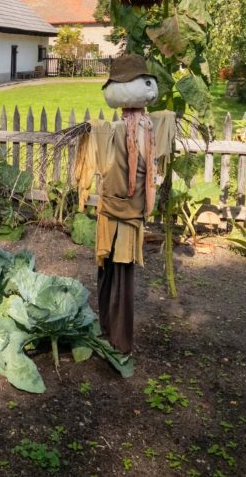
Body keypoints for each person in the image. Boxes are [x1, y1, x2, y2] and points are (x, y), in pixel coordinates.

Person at [73, 55, 176, 354]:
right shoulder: (136, 128)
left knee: (120, 275)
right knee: (110, 272)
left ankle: (119, 338)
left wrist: (94, 129)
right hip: (117, 213)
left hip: (125, 216)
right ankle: (109, 330)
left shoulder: (136, 128)